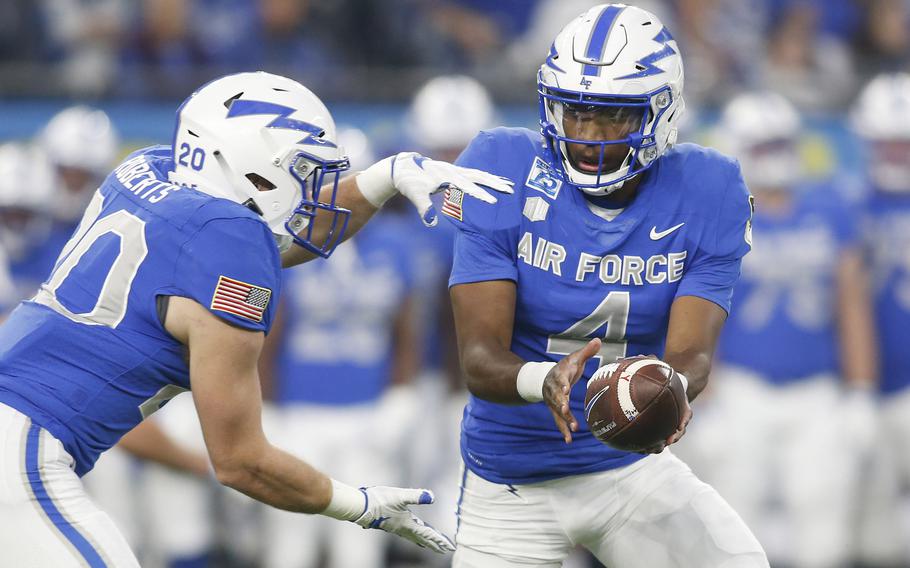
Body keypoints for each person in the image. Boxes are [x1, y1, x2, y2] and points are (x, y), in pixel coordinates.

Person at [0, 70, 512, 566]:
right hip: (22, 448)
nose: (312, 190)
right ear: (248, 162)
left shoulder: (146, 169)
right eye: (303, 171)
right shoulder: (230, 244)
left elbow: (281, 238)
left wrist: (384, 178)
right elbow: (240, 461)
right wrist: (357, 505)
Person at [442, 5, 768, 567]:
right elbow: (478, 357)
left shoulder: (709, 187)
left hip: (628, 466)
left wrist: (669, 387)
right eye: (574, 113)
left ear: (661, 114)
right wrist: (546, 379)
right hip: (511, 480)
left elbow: (692, 353)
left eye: (613, 116)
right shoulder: (500, 166)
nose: (588, 136)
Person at [689, 91, 876, 568]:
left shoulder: (829, 208)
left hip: (817, 390)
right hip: (742, 391)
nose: (775, 157)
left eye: (780, 145)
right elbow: (702, 318)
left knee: (823, 525)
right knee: (733, 523)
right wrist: (705, 403)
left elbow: (852, 305)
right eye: (763, 146)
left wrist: (860, 390)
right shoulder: (718, 218)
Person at [852, 72, 910, 568]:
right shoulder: (844, 203)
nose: (896, 156)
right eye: (887, 145)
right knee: (873, 538)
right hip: (869, 386)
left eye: (904, 145)